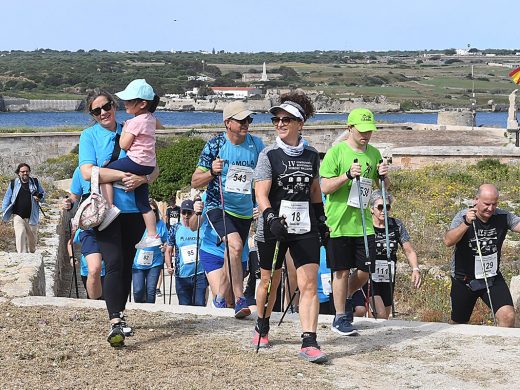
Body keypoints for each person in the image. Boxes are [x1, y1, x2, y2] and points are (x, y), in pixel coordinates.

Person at [79, 89, 159, 347]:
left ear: (114, 106)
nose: (103, 112)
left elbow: (153, 165)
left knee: (125, 263)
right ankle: (114, 320)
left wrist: (143, 178)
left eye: (106, 106)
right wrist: (122, 177)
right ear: (91, 114)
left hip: (133, 210)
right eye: (96, 110)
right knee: (113, 262)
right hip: (108, 211)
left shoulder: (132, 126)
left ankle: (121, 313)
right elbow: (87, 172)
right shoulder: (89, 136)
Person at [253, 90, 327, 364]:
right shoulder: (269, 155)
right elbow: (261, 194)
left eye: (287, 119)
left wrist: (321, 218)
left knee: (308, 283)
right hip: (274, 226)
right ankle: (262, 324)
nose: (280, 124)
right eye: (276, 120)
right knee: (269, 283)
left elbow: (315, 190)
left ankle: (309, 340)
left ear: (300, 123)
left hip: (304, 226)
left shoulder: (310, 154)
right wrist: (270, 217)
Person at [191, 101, 264, 318]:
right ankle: (240, 299)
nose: (246, 124)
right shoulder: (215, 146)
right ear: (228, 123)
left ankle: (220, 298)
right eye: (241, 120)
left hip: (244, 211)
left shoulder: (256, 145)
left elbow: (264, 176)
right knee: (235, 245)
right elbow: (195, 181)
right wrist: (212, 172)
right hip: (218, 206)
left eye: (248, 120)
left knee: (230, 253)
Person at [320, 108, 389, 336]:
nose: (366, 135)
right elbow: (324, 187)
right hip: (339, 222)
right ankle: (340, 316)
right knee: (340, 271)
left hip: (364, 222)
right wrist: (347, 176)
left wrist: (384, 176)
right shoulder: (336, 152)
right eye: (362, 131)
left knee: (366, 269)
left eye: (370, 131)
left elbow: (384, 188)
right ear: (349, 128)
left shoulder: (375, 153)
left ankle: (344, 295)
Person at [443, 184, 519, 327]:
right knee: (458, 323)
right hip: (465, 279)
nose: (490, 209)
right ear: (476, 200)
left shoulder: (503, 216)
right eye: (486, 204)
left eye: (494, 204)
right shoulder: (462, 216)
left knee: (508, 316)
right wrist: (466, 223)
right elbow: (448, 241)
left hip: (491, 277)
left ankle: (500, 348)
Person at [99, 79, 162, 250]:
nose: (124, 104)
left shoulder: (135, 122)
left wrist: (126, 128)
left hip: (136, 161)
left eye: (129, 101)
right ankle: (152, 235)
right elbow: (159, 127)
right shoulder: (151, 118)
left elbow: (124, 145)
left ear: (142, 103)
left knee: (104, 173)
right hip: (148, 165)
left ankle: (110, 207)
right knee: (143, 202)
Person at [368, 189, 421, 319]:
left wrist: (415, 269)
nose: (384, 210)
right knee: (379, 313)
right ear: (371, 209)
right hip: (369, 276)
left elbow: (408, 250)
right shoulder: (366, 225)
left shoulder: (396, 225)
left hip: (388, 276)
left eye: (387, 207)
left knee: (384, 316)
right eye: (380, 207)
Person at [191, 193, 250, 309]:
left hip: (239, 253)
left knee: (232, 302)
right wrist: (196, 212)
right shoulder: (211, 193)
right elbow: (193, 226)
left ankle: (221, 302)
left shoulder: (247, 191)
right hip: (213, 251)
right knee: (227, 300)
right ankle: (219, 301)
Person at [62, 167, 104, 299]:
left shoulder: (116, 163)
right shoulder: (80, 170)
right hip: (89, 228)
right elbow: (74, 198)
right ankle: (94, 305)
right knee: (94, 270)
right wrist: (69, 203)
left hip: (114, 223)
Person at [165, 199, 207, 306]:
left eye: (189, 212)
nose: (186, 215)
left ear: (194, 212)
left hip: (199, 273)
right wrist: (169, 265)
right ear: (180, 213)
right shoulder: (175, 228)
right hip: (181, 275)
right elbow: (168, 250)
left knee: (200, 305)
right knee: (185, 308)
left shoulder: (201, 227)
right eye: (184, 212)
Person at [2, 163, 45, 253]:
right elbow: (7, 197)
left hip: (32, 216)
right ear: (18, 173)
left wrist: (40, 198)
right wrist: (3, 211)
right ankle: (22, 257)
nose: (25, 173)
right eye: (23, 171)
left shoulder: (35, 182)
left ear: (29, 172)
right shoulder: (13, 183)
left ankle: (32, 254)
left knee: (32, 240)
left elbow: (43, 195)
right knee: (20, 234)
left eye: (27, 171)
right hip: (18, 215)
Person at [132, 199, 168, 303]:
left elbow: (166, 241)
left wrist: (164, 247)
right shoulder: (138, 223)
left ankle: (149, 311)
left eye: (154, 211)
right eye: (148, 210)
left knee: (151, 290)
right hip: (137, 263)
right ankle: (139, 310)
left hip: (155, 262)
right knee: (138, 291)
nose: (151, 213)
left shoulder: (160, 224)